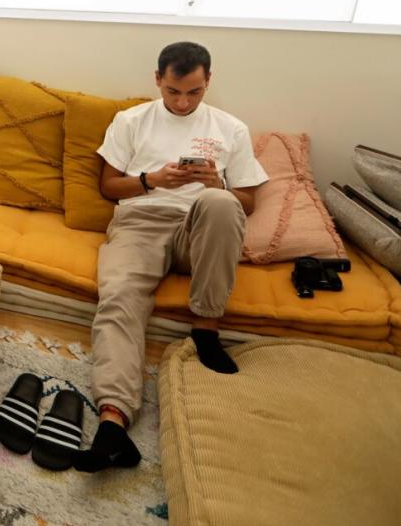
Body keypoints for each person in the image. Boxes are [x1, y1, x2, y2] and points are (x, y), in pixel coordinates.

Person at [73, 42, 267, 473]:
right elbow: (109, 187)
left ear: (208, 82)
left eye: (194, 92)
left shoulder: (230, 128)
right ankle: (113, 422)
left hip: (197, 228)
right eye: (174, 91)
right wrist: (150, 180)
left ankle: (205, 327)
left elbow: (248, 202)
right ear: (158, 79)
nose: (183, 102)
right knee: (119, 296)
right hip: (139, 223)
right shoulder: (131, 121)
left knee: (221, 204)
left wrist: (216, 183)